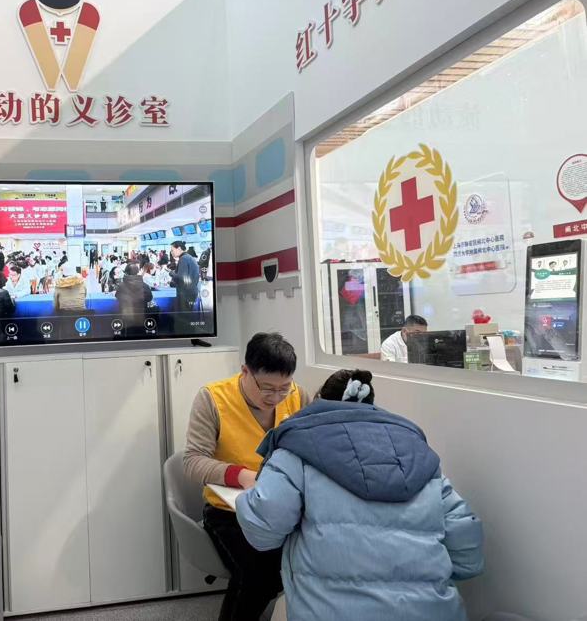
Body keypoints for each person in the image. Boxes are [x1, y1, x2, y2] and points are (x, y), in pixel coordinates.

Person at [236, 369, 484, 621]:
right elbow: (468, 555)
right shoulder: (419, 454)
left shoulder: (295, 449)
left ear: (318, 403)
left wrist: (247, 496)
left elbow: (263, 530)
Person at [184, 332, 311, 621]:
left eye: (283, 388)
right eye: (267, 389)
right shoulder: (213, 398)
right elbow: (192, 462)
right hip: (229, 512)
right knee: (261, 574)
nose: (276, 398)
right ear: (245, 371)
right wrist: (242, 476)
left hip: (283, 509)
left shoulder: (298, 396)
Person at [170, 240, 200, 314]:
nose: (171, 252)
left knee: (183, 316)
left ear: (179, 249)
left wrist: (172, 273)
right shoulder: (189, 257)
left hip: (185, 293)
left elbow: (181, 278)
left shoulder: (183, 259)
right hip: (191, 291)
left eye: (172, 250)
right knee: (187, 315)